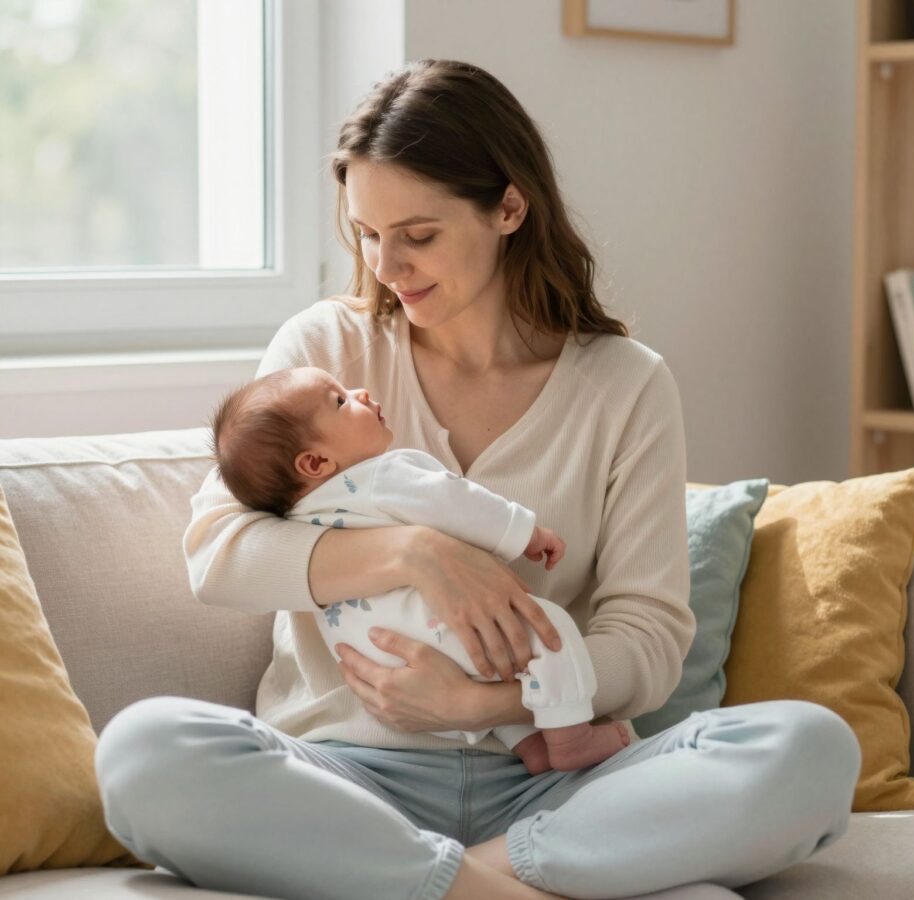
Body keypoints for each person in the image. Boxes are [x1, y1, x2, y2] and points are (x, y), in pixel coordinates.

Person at [94, 59, 860, 900]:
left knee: (811, 749)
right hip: (345, 778)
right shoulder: (324, 352)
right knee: (143, 751)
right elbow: (219, 553)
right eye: (367, 234)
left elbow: (648, 642)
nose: (387, 264)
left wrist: (480, 703)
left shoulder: (625, 385)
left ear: (507, 207)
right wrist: (416, 553)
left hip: (555, 787)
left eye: (417, 235)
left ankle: (458, 881)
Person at [208, 364, 630, 773]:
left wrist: (470, 706)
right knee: (549, 629)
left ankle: (527, 743)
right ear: (315, 463)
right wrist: (525, 532)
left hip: (380, 661)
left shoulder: (295, 517)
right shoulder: (380, 477)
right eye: (340, 400)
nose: (361, 393)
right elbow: (453, 501)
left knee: (485, 665)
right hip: (429, 645)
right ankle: (570, 740)